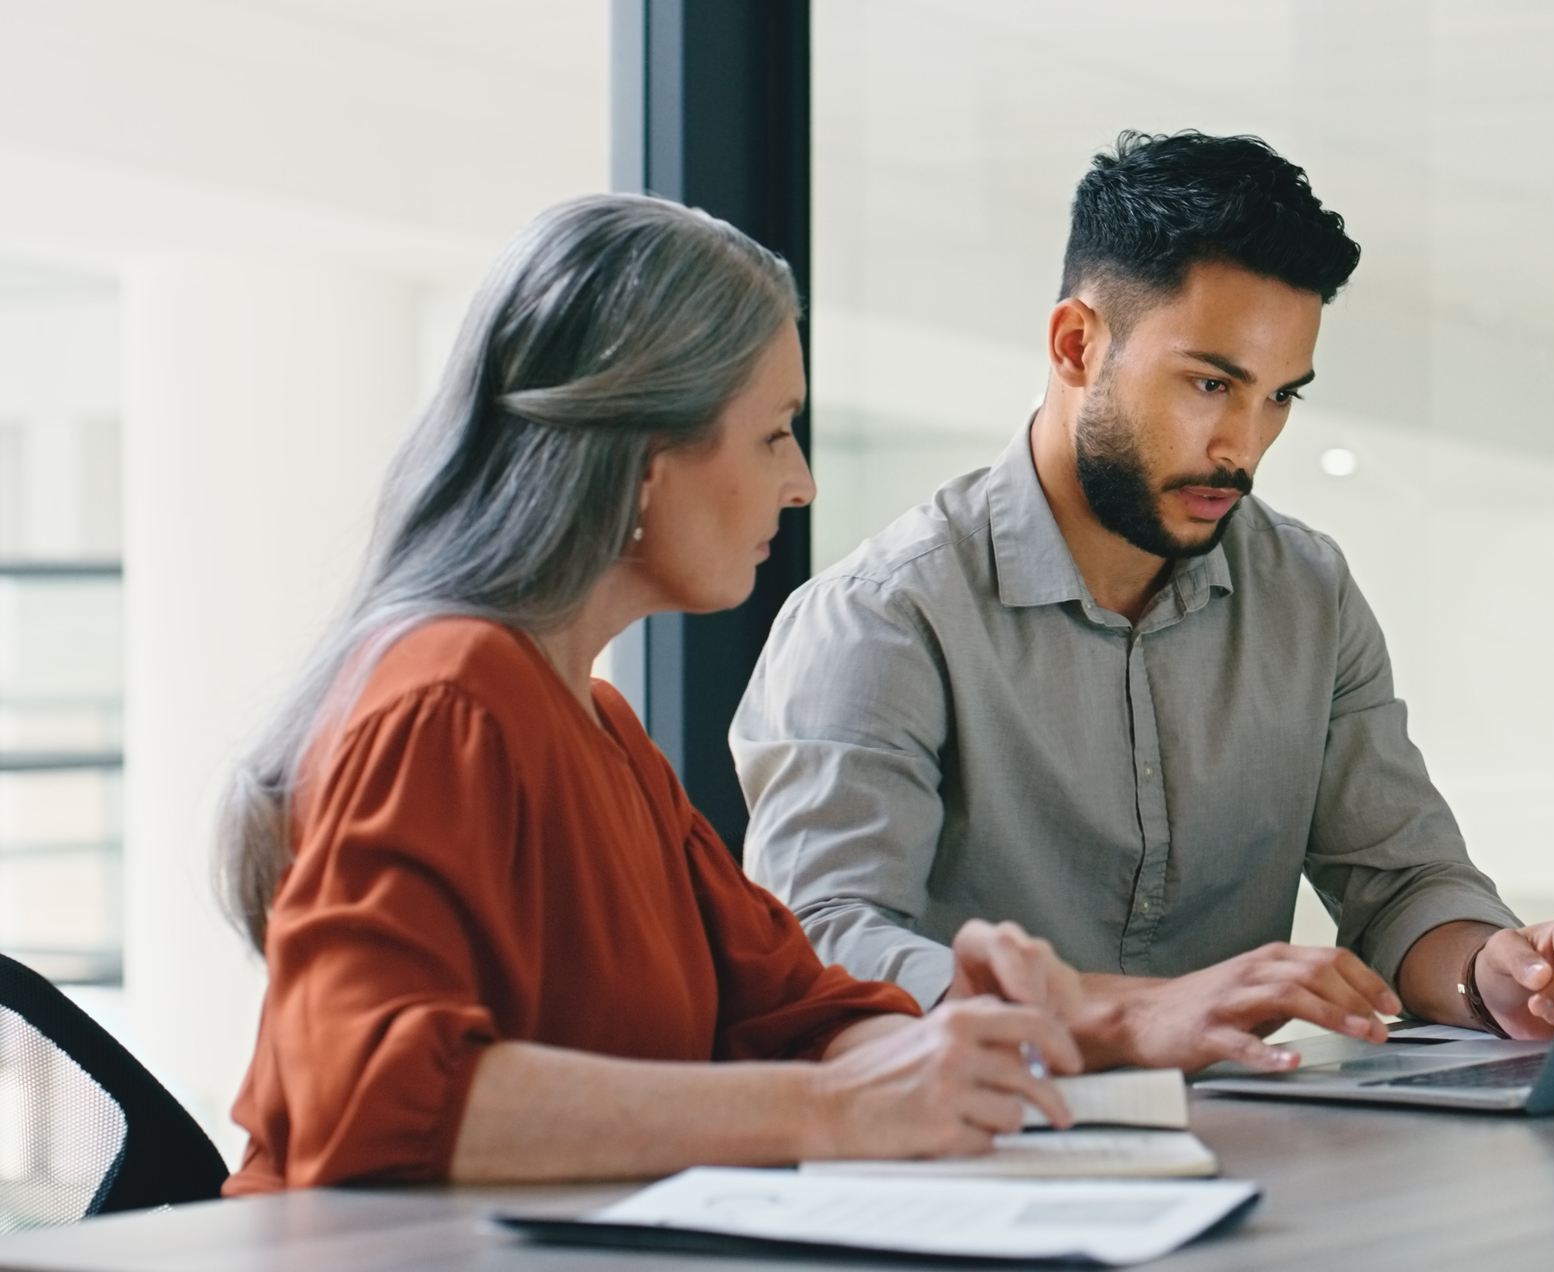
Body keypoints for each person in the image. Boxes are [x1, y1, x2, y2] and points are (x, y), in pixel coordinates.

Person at [216, 193, 1086, 1194]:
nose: (798, 482)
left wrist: (942, 1043)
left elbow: (795, 1015)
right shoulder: (449, 697)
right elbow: (371, 1102)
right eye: (773, 435)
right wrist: (839, 1108)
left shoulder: (602, 726)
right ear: (642, 458)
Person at [732, 131, 1554, 1075]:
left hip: (1256, 1147)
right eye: (1210, 383)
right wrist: (1126, 1014)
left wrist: (1491, 972)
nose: (1245, 444)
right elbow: (823, 944)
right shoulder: (883, 616)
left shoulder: (1308, 592)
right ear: (1076, 345)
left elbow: (1401, 883)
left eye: (1279, 398)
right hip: (981, 1153)